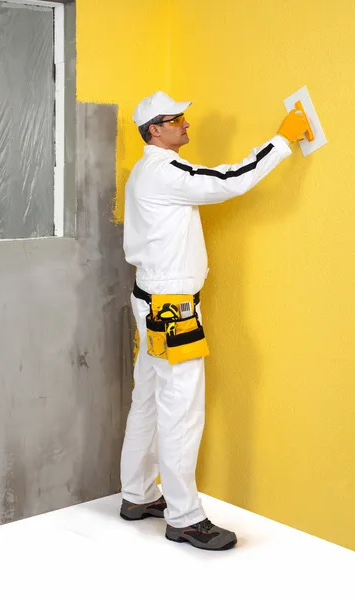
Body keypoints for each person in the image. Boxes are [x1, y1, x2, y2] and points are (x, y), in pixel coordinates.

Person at [120, 91, 307, 551]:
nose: (186, 123)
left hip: (151, 303)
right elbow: (231, 179)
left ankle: (138, 495)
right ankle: (184, 518)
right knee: (181, 409)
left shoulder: (144, 172)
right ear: (154, 131)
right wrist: (282, 140)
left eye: (184, 115)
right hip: (173, 309)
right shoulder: (165, 172)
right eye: (175, 119)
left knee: (147, 397)